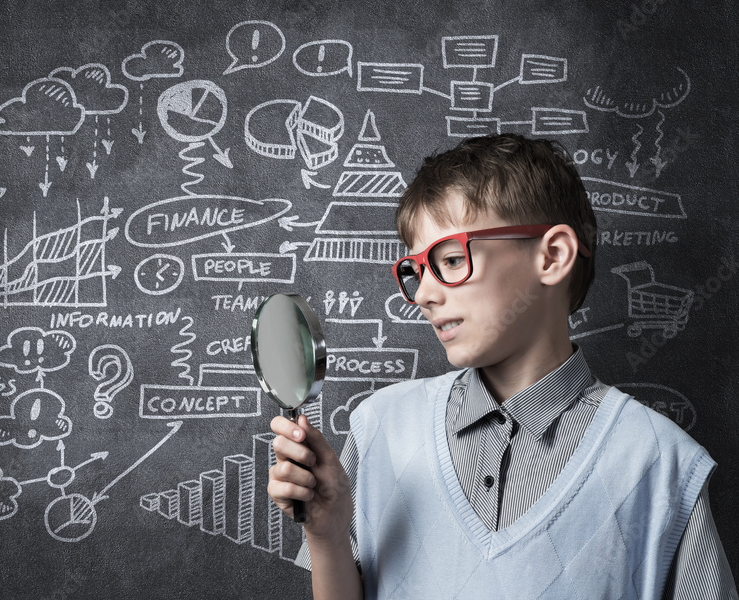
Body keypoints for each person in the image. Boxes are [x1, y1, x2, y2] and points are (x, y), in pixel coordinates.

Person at [267, 134, 737, 599]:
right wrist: (325, 533)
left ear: (552, 256)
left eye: (451, 259)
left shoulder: (660, 464)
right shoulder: (380, 426)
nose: (426, 295)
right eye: (416, 272)